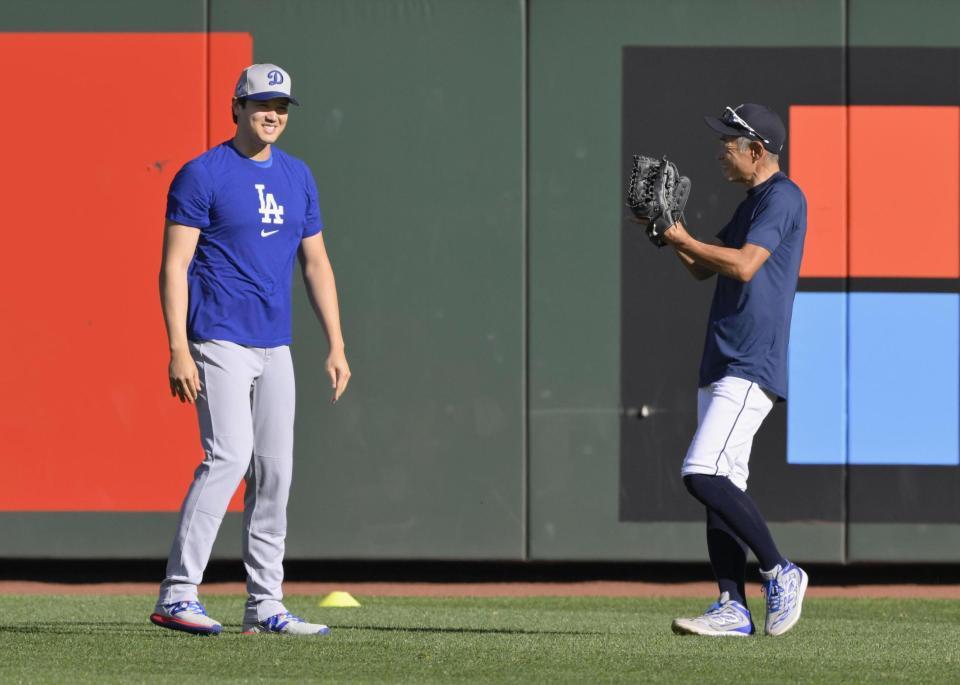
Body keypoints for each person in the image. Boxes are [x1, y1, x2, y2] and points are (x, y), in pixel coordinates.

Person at [149, 63, 350, 636]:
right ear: (236, 106)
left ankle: (265, 605)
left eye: (282, 106)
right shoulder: (201, 174)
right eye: (262, 103)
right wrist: (178, 349)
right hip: (217, 338)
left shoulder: (297, 176)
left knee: (275, 472)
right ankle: (178, 593)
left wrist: (336, 344)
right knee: (230, 457)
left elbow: (316, 263)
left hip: (274, 345)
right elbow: (174, 265)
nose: (273, 114)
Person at [659, 104, 808, 637]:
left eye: (729, 141)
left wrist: (684, 240)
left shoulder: (784, 197)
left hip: (751, 360)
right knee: (725, 487)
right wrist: (667, 232)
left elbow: (744, 265)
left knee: (701, 471)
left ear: (757, 151)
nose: (721, 148)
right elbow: (704, 265)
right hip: (723, 356)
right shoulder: (753, 202)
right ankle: (732, 606)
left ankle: (780, 570)